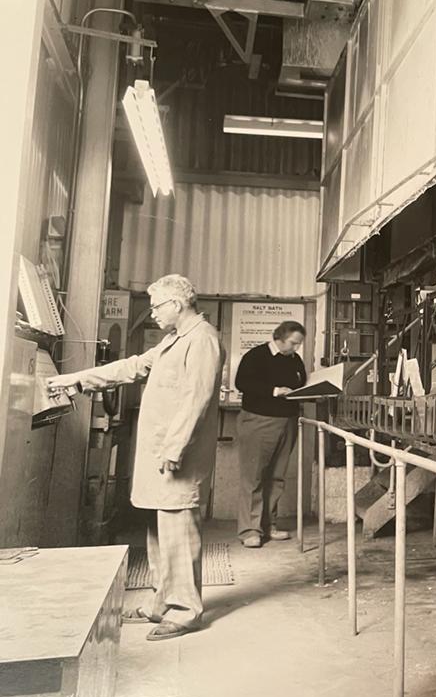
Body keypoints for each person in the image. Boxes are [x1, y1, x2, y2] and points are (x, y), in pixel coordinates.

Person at [48, 274, 224, 641]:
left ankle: (185, 611)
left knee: (179, 531)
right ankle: (160, 602)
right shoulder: (173, 340)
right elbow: (130, 367)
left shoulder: (202, 340)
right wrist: (77, 379)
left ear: (176, 305)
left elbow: (198, 399)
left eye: (157, 306)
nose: (154, 314)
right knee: (159, 531)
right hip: (162, 454)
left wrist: (175, 447)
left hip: (178, 455)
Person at [234, 320, 307, 548]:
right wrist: (275, 391)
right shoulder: (256, 356)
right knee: (253, 477)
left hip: (287, 422)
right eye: (293, 343)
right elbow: (242, 382)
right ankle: (250, 530)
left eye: (299, 345)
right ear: (280, 337)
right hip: (259, 421)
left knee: (277, 476)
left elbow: (301, 382)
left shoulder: (294, 359)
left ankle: (268, 525)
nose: (296, 349)